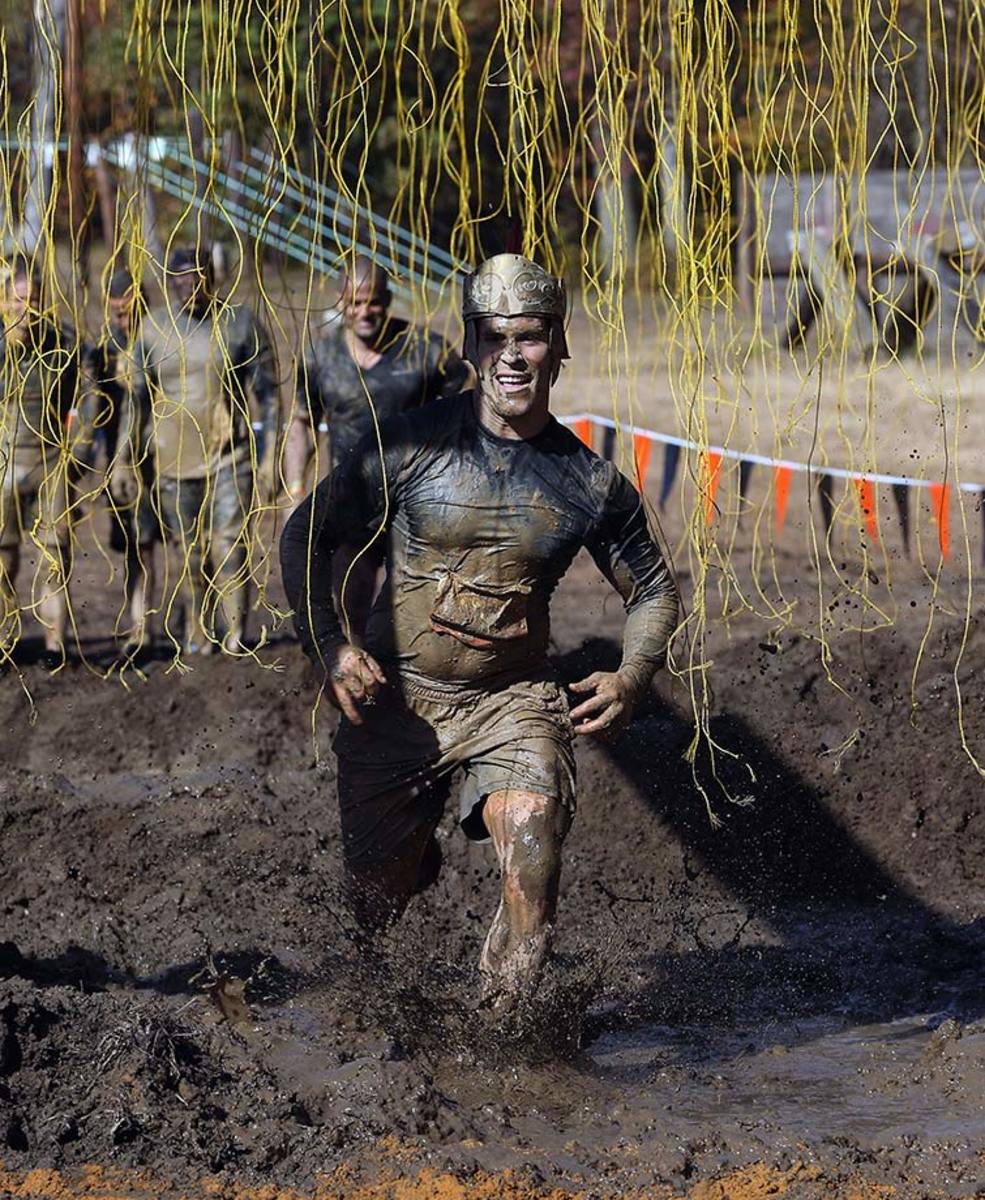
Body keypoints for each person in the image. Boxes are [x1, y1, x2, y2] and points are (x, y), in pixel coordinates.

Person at [281, 253, 679, 1011]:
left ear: (558, 345)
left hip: (512, 701)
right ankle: (403, 881)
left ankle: (506, 1026)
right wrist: (331, 645)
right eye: (492, 336)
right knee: (377, 897)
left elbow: (655, 588)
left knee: (532, 849)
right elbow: (307, 535)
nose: (511, 356)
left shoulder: (587, 482)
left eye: (529, 337)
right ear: (468, 344)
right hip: (395, 700)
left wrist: (632, 676)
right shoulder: (404, 445)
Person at [284, 255, 469, 636]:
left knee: (419, 601)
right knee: (352, 598)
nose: (365, 311)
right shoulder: (320, 358)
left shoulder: (425, 350)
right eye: (355, 302)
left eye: (374, 301)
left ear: (388, 299)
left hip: (416, 495)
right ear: (340, 302)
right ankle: (358, 661)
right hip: (352, 495)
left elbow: (467, 403)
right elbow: (300, 423)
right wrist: (295, 488)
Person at [113, 246, 278, 656]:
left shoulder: (240, 324)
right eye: (178, 278)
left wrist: (271, 455)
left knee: (229, 541)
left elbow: (269, 395)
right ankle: (198, 632)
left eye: (196, 276)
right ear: (168, 282)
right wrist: (122, 460)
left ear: (211, 277)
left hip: (229, 453)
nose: (188, 285)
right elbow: (136, 402)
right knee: (189, 551)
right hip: (171, 458)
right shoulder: (151, 330)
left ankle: (237, 634)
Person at [0, 255, 83, 667]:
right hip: (4, 465)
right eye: (17, 301)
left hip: (50, 464)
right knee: (3, 559)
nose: (24, 310)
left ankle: (56, 646)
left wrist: (75, 458)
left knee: (55, 557)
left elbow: (81, 405)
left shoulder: (63, 343)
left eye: (31, 301)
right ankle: (3, 642)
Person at [82, 268, 158, 657]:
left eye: (130, 311)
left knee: (157, 540)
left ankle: (160, 627)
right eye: (116, 312)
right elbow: (93, 402)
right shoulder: (107, 345)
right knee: (130, 543)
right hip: (117, 457)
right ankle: (137, 624)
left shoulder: (161, 338)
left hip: (158, 454)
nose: (123, 319)